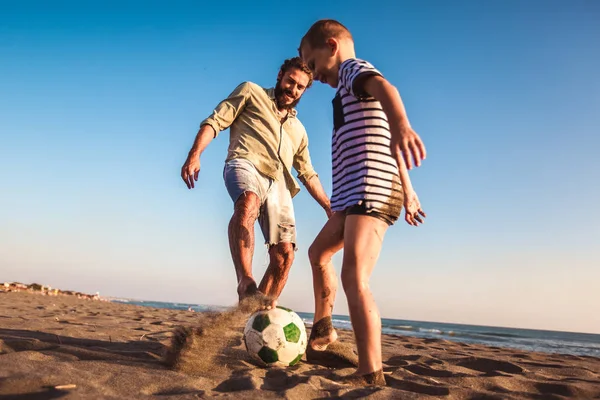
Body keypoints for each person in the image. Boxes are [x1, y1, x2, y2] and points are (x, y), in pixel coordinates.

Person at [298, 20, 427, 386]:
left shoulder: (354, 70)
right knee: (318, 253)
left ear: (331, 46)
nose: (310, 72)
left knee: (355, 276)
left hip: (368, 188)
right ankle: (324, 331)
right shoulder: (344, 93)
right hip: (352, 193)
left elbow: (387, 89)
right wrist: (409, 188)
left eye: (311, 61)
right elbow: (385, 138)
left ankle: (371, 371)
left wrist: (403, 124)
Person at [181, 57, 331, 306]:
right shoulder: (251, 92)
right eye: (290, 81)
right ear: (280, 75)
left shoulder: (299, 130)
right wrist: (195, 154)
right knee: (248, 201)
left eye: (300, 87)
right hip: (245, 164)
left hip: (280, 185)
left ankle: (253, 313)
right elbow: (215, 121)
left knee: (284, 255)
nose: (292, 90)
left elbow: (307, 173)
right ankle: (245, 282)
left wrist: (327, 205)